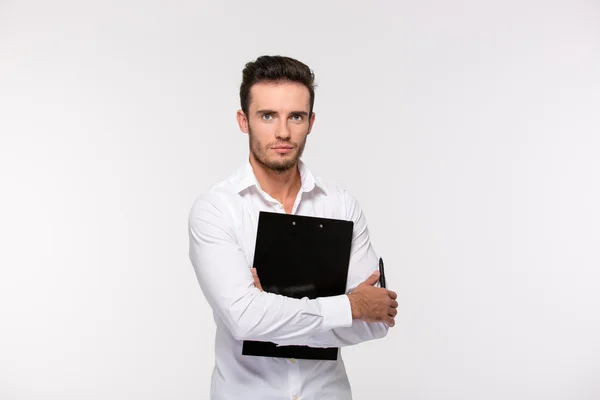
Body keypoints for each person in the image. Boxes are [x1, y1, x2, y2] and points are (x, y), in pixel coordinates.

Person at [188, 55, 398, 400]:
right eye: (267, 115)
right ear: (244, 121)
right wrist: (348, 306)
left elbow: (377, 320)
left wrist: (270, 309)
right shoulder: (216, 209)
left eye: (295, 116)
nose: (283, 131)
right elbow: (244, 320)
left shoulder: (341, 206)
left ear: (311, 121)